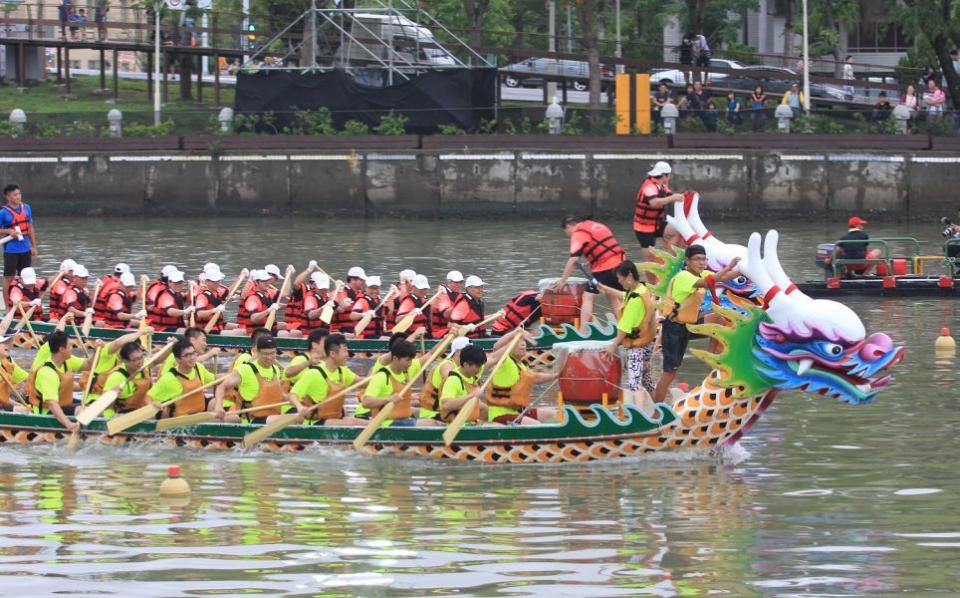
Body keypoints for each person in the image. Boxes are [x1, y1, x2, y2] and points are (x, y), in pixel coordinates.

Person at [652, 246, 741, 404]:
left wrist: (745, 270)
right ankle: (656, 411)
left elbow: (724, 276)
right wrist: (729, 265)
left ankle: (711, 356)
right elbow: (708, 283)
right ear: (687, 261)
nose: (701, 262)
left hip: (688, 325)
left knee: (719, 317)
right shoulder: (684, 276)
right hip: (673, 329)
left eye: (703, 259)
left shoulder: (702, 273)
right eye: (697, 259)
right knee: (670, 373)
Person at [553, 215, 626, 332]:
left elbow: (573, 260)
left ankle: (583, 331)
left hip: (606, 268)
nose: (568, 236)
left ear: (568, 227)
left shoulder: (578, 234)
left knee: (588, 296)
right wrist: (591, 260)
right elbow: (604, 246)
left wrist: (563, 280)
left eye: (566, 233)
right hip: (621, 264)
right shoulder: (597, 225)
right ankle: (623, 325)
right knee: (612, 295)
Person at [602, 261, 657, 404]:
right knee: (647, 379)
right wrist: (608, 290)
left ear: (629, 276)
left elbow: (624, 329)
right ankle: (658, 407)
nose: (619, 281)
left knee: (634, 383)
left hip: (636, 347)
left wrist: (613, 346)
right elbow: (624, 295)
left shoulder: (634, 301)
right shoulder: (642, 289)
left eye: (620, 278)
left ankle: (639, 415)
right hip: (648, 342)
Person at [355, 339, 438, 427]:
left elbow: (432, 354)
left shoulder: (406, 370)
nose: (410, 364)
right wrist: (388, 399)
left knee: (437, 417)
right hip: (386, 423)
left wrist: (446, 339)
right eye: (407, 360)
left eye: (411, 360)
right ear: (395, 358)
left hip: (403, 418)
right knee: (431, 424)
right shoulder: (382, 376)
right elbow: (365, 402)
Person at [286, 333, 360, 426]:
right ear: (332, 353)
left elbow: (362, 382)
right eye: (344, 351)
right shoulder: (314, 373)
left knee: (363, 422)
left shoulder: (343, 371)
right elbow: (292, 395)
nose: (347, 355)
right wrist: (300, 407)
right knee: (350, 423)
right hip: (317, 423)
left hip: (335, 419)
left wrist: (378, 373)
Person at [486, 331, 557, 425]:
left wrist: (556, 375)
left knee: (553, 415)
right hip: (501, 415)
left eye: (523, 342)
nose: (523, 344)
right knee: (536, 425)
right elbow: (496, 346)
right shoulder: (504, 360)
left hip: (518, 412)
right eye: (518, 343)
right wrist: (515, 332)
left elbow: (536, 378)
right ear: (510, 347)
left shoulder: (522, 366)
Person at [213, 336, 285, 424]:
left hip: (271, 417)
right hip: (252, 421)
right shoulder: (245, 369)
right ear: (257, 352)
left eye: (272, 353)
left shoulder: (275, 370)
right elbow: (222, 386)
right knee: (291, 419)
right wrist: (218, 405)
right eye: (265, 354)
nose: (270, 357)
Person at [147, 338, 215, 419]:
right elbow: (148, 398)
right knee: (166, 410)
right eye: (187, 355)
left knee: (214, 403)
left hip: (198, 411)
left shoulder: (198, 368)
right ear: (178, 360)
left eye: (193, 353)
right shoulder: (168, 378)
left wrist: (230, 377)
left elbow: (214, 379)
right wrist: (154, 404)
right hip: (179, 419)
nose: (192, 357)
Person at [26, 331, 80, 431]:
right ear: (62, 349)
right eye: (70, 346)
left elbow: (87, 364)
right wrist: (69, 424)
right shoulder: (47, 371)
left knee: (88, 404)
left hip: (58, 403)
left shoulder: (64, 362)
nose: (72, 348)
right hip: (46, 412)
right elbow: (51, 404)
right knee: (82, 410)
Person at [633, 161, 685, 263]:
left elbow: (669, 195)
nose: (669, 178)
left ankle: (669, 260)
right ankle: (653, 277)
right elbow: (654, 202)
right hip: (643, 228)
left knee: (679, 231)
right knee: (650, 259)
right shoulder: (649, 186)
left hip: (657, 224)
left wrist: (679, 197)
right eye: (668, 175)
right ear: (665, 175)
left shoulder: (662, 186)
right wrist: (673, 198)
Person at [0, 184, 38, 308]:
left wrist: (34, 246)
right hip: (11, 250)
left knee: (27, 278)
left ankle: (27, 305)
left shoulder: (27, 208)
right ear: (8, 197)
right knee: (8, 278)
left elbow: (30, 228)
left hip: (25, 248)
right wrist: (9, 231)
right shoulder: (3, 213)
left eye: (19, 194)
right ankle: (7, 307)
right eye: (15, 195)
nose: (18, 197)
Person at [96, 341, 152, 418]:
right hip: (116, 414)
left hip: (135, 410)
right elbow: (104, 406)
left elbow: (143, 394)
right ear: (125, 361)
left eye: (141, 357)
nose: (140, 362)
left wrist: (152, 406)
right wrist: (112, 394)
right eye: (135, 360)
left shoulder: (143, 369)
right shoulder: (116, 377)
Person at [438, 344, 487, 423]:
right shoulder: (453, 380)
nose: (480, 369)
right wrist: (472, 395)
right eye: (477, 366)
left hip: (470, 423)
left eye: (481, 366)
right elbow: (446, 405)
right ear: (465, 364)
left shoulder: (471, 375)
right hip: (455, 426)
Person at [194, 263, 230, 333]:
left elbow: (214, 303)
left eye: (218, 281)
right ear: (207, 282)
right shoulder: (202, 296)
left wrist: (228, 301)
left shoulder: (216, 293)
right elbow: (199, 313)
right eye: (214, 281)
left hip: (218, 327)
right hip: (207, 330)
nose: (217, 283)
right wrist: (214, 310)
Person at [0, 334, 31, 413]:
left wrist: (20, 406)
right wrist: (14, 409)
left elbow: (3, 398)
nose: (9, 345)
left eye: (9, 342)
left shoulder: (7, 362)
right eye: (4, 342)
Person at [431, 270, 463, 338]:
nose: (459, 285)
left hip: (453, 329)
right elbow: (447, 315)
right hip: (439, 332)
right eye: (456, 282)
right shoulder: (441, 295)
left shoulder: (460, 296)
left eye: (460, 282)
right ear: (448, 282)